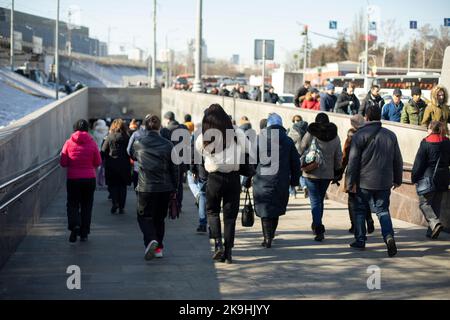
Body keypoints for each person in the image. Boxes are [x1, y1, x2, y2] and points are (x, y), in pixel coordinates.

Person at [346, 105, 403, 257]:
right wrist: (398, 179)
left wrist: (350, 182)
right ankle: (389, 237)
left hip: (364, 181)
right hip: (384, 181)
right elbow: (398, 159)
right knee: (382, 210)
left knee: (359, 210)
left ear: (366, 117)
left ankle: (360, 240)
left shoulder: (359, 135)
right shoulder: (391, 135)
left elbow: (353, 161)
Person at [195, 104, 247, 264]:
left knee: (212, 212)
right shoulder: (237, 133)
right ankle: (229, 251)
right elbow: (247, 150)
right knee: (230, 217)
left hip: (214, 178)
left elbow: (200, 152)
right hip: (233, 178)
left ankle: (217, 244)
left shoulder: (203, 136)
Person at [130, 115, 179, 260]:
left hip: (145, 186)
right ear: (159, 127)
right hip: (164, 188)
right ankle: (158, 248)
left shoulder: (139, 143)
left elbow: (133, 156)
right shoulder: (168, 144)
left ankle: (151, 239)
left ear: (145, 126)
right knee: (159, 218)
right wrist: (175, 188)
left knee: (143, 216)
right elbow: (174, 168)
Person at [253, 113, 300, 248]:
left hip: (261, 180)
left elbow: (251, 161)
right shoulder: (288, 141)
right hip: (281, 180)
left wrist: (246, 178)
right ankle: (270, 235)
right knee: (275, 208)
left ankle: (267, 237)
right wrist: (295, 181)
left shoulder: (258, 139)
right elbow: (295, 163)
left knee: (265, 209)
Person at [299, 113, 343, 242]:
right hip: (327, 174)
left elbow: (301, 148)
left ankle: (318, 227)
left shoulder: (310, 133)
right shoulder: (335, 136)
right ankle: (316, 223)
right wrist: (337, 170)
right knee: (320, 200)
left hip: (311, 172)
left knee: (315, 201)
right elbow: (338, 156)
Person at [60, 119, 102, 243]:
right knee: (87, 206)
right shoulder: (92, 143)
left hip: (73, 179)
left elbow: (63, 162)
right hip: (89, 179)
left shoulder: (68, 143)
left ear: (75, 128)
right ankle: (84, 233)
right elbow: (98, 162)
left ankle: (75, 225)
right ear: (87, 129)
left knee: (72, 204)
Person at [412, 121, 450, 239]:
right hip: (443, 178)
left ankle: (434, 223)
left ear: (431, 129)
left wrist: (414, 177)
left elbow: (419, 163)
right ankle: (432, 231)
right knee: (436, 204)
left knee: (424, 203)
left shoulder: (425, 143)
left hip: (428, 178)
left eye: (428, 128)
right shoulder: (447, 142)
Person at [341, 115, 375, 234]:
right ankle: (369, 220)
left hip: (353, 173)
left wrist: (339, 173)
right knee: (364, 199)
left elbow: (345, 157)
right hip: (367, 173)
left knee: (352, 201)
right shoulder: (369, 135)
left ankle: (354, 225)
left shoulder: (351, 136)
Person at [161, 111, 189, 213]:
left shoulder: (165, 130)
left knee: (168, 183)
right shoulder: (184, 128)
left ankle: (170, 204)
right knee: (179, 184)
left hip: (169, 162)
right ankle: (178, 204)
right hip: (181, 162)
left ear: (168, 119)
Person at [102, 119, 132, 215]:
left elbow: (103, 150)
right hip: (124, 165)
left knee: (113, 185)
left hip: (112, 165)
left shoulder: (109, 137)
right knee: (122, 187)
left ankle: (115, 203)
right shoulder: (127, 137)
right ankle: (122, 207)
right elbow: (131, 151)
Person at [287, 115, 309, 197]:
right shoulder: (307, 131)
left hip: (294, 155)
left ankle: (292, 192)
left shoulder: (293, 131)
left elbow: (288, 142)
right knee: (301, 173)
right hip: (304, 155)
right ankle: (304, 186)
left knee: (290, 173)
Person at [127, 122, 148, 191]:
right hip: (149, 161)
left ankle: (138, 194)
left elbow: (128, 149)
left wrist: (134, 158)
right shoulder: (153, 134)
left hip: (138, 160)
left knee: (137, 176)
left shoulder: (136, 134)